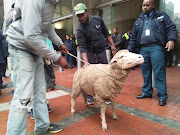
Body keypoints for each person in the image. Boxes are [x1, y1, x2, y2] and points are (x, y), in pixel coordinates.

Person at [5, 0, 69, 135]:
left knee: (40, 92)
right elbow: (31, 36)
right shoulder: (33, 1)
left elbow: (46, 26)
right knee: (23, 96)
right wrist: (56, 57)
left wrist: (59, 43)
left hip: (34, 49)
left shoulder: (51, 3)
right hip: (21, 47)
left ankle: (42, 127)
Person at [127, 0, 177, 106]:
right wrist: (129, 51)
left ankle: (162, 95)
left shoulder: (161, 16)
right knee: (145, 72)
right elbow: (133, 37)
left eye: (147, 5)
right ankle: (147, 92)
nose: (144, 7)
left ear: (152, 5)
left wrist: (171, 39)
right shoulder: (139, 20)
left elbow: (171, 28)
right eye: (143, 5)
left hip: (156, 48)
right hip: (143, 49)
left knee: (159, 72)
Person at [74, 3, 116, 105]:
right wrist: (86, 61)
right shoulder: (79, 30)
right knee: (90, 76)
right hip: (90, 54)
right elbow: (82, 47)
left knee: (105, 74)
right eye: (78, 16)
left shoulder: (98, 20)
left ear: (87, 12)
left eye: (82, 15)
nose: (81, 18)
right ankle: (89, 96)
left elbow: (106, 33)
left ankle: (105, 95)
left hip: (102, 52)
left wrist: (112, 45)